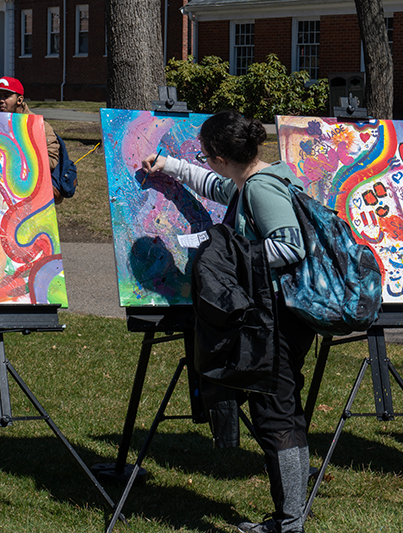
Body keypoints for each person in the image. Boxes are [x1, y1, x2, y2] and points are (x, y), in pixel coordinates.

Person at [142, 110, 316, 533]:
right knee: (283, 411)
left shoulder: (261, 191)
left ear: (221, 155)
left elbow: (291, 247)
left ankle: (290, 522)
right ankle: (293, 513)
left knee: (276, 415)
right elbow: (219, 187)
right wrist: (170, 166)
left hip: (276, 322)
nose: (203, 161)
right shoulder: (252, 181)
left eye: (204, 155)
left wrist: (237, 257)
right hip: (277, 317)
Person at [0, 76, 64, 204]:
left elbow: (52, 161)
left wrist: (19, 159)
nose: (1, 100)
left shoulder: (38, 126)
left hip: (29, 193)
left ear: (19, 100)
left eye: (6, 96)